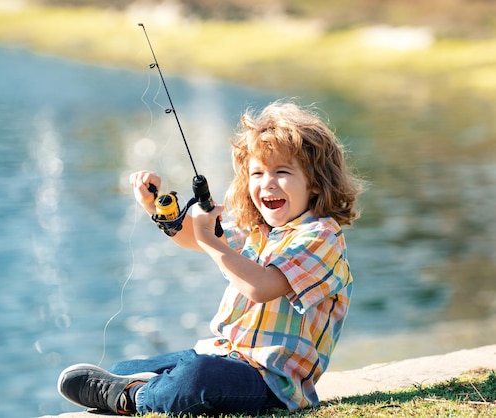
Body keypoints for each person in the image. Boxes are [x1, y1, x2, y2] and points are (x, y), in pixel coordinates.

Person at [57, 100, 364, 415]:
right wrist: (158, 209)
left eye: (282, 172)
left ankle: (136, 398)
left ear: (314, 183)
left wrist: (209, 237)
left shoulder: (321, 237)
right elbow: (196, 239)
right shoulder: (260, 230)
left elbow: (261, 287)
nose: (267, 182)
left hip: (272, 382)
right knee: (127, 366)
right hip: (224, 354)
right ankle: (143, 388)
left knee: (198, 377)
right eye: (257, 173)